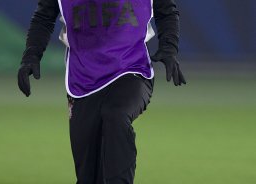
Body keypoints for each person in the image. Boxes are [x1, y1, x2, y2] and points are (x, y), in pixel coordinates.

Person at [17, 0, 186, 183]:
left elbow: (166, 11)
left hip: (131, 68)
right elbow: (44, 17)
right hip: (83, 80)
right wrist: (31, 56)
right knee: (88, 175)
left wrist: (169, 49)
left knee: (116, 114)